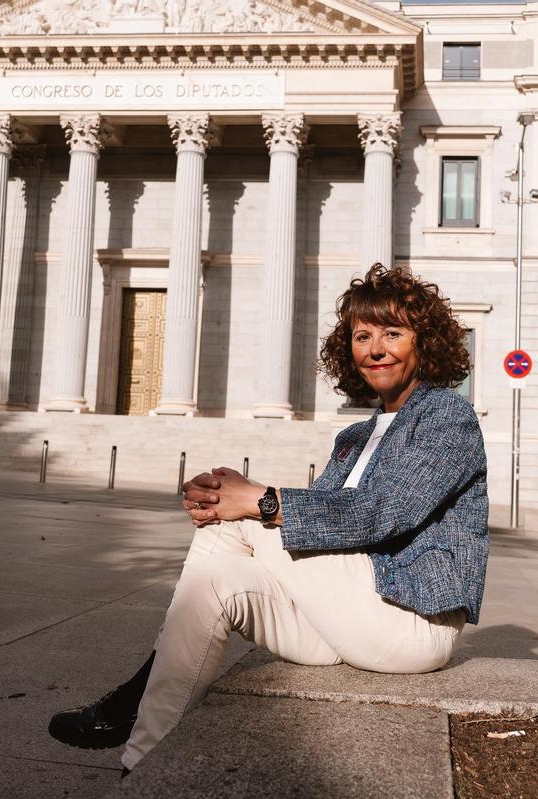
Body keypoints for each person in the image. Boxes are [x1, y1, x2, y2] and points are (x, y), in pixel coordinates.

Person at [47, 263, 488, 775]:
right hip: (343, 620)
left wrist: (254, 501)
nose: (376, 348)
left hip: (411, 621)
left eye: (393, 333)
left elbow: (379, 515)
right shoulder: (356, 436)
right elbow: (327, 525)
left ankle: (129, 702)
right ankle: (140, 761)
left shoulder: (446, 417)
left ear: (424, 341)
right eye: (363, 335)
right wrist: (232, 496)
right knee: (218, 578)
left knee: (237, 522)